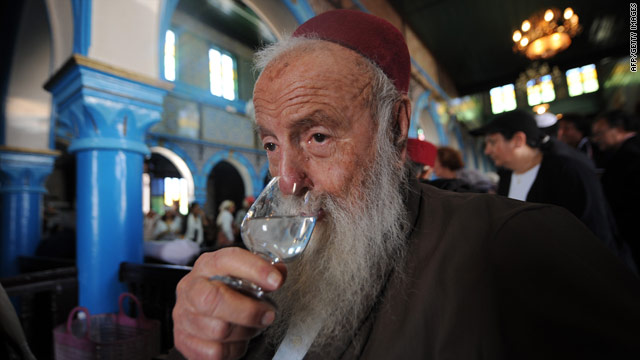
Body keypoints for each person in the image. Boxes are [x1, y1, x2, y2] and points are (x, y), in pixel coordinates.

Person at [171, 10, 640, 360]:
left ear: (396, 127)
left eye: (317, 136)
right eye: (271, 143)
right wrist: (206, 332)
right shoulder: (282, 266)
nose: (287, 181)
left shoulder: (512, 245)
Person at [470, 110, 628, 262]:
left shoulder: (568, 172)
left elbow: (596, 232)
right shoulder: (506, 177)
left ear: (518, 140)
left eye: (492, 142)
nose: (487, 151)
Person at [592, 110, 640, 267]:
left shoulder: (630, 155)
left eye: (600, 133)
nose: (596, 139)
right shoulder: (624, 151)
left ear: (618, 129)